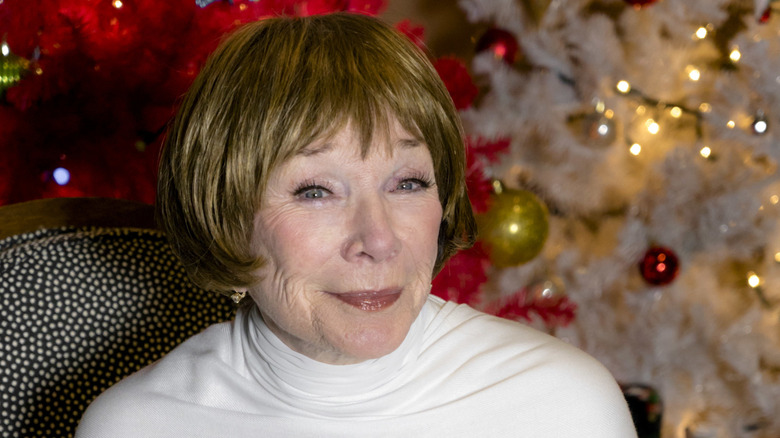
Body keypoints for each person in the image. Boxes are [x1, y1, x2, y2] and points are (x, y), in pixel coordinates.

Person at [76, 12, 637, 437]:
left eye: (408, 183)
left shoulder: (563, 409)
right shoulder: (136, 426)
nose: (380, 239)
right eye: (315, 191)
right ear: (225, 210)